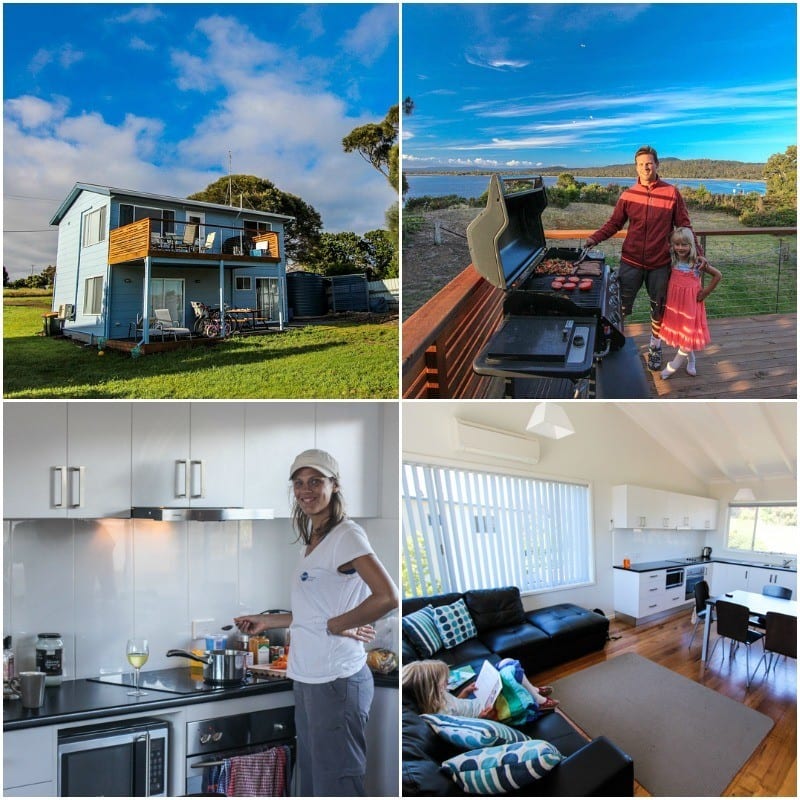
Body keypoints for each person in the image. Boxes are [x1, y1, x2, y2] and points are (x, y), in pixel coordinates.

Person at [234, 448, 398, 797]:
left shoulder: (346, 536)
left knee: (336, 785)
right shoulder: (314, 539)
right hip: (308, 676)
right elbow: (315, 612)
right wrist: (268, 621)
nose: (305, 490)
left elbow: (387, 596)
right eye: (298, 483)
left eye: (315, 481)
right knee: (311, 784)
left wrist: (340, 624)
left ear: (334, 485)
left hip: (336, 679)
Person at [585, 145, 704, 371]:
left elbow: (685, 225)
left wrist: (698, 253)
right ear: (636, 167)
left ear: (657, 165)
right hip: (630, 262)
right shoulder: (629, 195)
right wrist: (594, 238)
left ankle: (655, 347)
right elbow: (614, 223)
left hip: (660, 264)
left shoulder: (671, 193)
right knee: (618, 307)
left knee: (658, 308)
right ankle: (614, 344)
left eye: (649, 163)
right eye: (641, 164)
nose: (645, 167)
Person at [402, 659, 559, 720]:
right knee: (509, 670)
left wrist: (466, 692)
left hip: (479, 700)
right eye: (444, 681)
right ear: (430, 688)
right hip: (488, 710)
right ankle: (540, 701)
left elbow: (457, 703)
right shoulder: (441, 716)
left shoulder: (440, 695)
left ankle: (533, 691)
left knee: (505, 663)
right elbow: (466, 726)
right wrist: (483, 718)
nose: (447, 682)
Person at [659, 227, 722, 379]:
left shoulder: (697, 263)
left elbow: (718, 275)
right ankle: (691, 359)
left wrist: (705, 292)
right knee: (684, 333)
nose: (680, 248)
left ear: (691, 245)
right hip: (676, 305)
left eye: (684, 244)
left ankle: (673, 366)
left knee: (688, 335)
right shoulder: (672, 260)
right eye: (677, 244)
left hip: (691, 305)